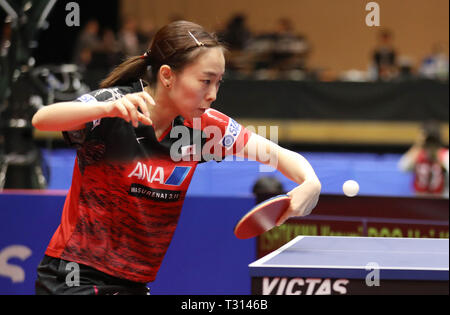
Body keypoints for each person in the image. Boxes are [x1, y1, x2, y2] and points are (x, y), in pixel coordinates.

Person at [31, 20, 321, 295]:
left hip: (134, 282)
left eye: (218, 82)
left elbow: (279, 155)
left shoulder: (205, 128)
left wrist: (310, 182)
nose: (213, 94)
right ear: (167, 75)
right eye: (205, 81)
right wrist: (105, 110)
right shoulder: (117, 106)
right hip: (75, 275)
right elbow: (43, 119)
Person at [398, 121, 449, 197]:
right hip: (420, 200)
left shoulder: (444, 155)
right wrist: (418, 145)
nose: (430, 144)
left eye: (432, 141)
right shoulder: (417, 154)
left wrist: (437, 157)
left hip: (440, 200)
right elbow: (403, 167)